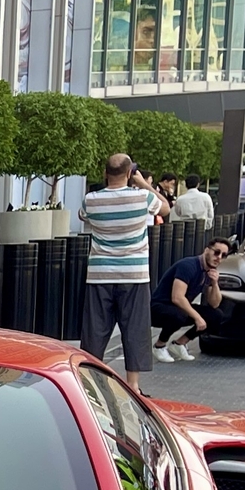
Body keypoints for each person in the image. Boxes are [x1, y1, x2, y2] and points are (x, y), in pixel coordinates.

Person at [80, 154, 162, 391]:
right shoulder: (142, 197)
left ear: (105, 173)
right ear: (128, 173)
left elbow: (82, 215)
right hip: (134, 274)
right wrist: (144, 184)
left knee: (95, 330)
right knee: (135, 327)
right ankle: (133, 384)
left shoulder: (91, 200)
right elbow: (164, 208)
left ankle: (90, 381)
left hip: (100, 274)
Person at [151, 235, 231, 364]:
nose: (219, 257)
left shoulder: (209, 271)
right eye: (216, 252)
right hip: (158, 307)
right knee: (180, 315)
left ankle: (179, 343)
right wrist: (197, 317)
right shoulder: (188, 265)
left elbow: (215, 304)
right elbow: (177, 297)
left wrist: (215, 283)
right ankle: (159, 346)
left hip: (178, 308)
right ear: (206, 250)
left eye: (224, 255)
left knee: (216, 315)